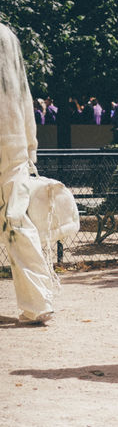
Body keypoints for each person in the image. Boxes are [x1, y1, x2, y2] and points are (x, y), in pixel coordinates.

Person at [0, 22, 57, 324]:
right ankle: (38, 302)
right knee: (18, 226)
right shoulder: (8, 35)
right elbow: (23, 93)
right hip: (14, 145)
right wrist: (30, 148)